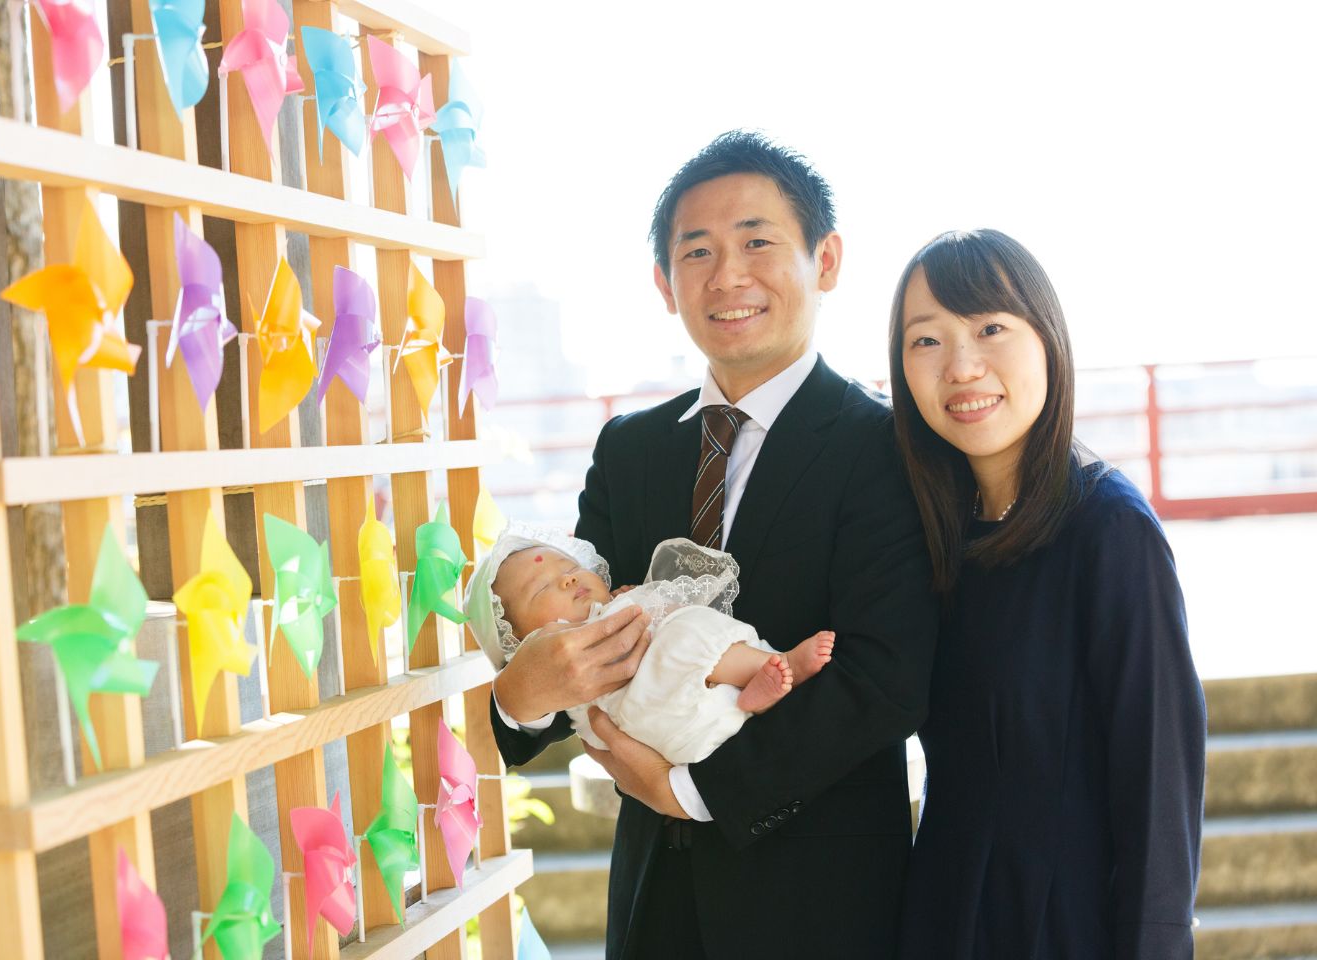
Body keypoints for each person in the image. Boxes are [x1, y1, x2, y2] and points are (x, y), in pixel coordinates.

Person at [487, 130, 939, 960]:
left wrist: (691, 791)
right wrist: (521, 698)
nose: (728, 276)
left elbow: (885, 679)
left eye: (758, 242)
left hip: (820, 909)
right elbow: (579, 629)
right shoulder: (630, 450)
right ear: (666, 282)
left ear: (826, 259)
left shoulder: (888, 446)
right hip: (655, 903)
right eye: (697, 252)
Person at [887, 229, 1206, 958]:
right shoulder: (934, 529)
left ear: (1048, 339)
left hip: (1066, 927)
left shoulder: (1110, 530)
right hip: (942, 915)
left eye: (991, 328)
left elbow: (1160, 787)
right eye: (926, 341)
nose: (962, 366)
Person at [465, 527, 836, 763]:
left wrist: (634, 597)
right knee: (684, 635)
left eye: (571, 568)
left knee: (684, 631)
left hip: (707, 733)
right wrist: (521, 691)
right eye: (543, 587)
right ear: (522, 641)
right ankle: (774, 664)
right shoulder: (619, 452)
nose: (568, 580)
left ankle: (747, 698)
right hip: (651, 728)